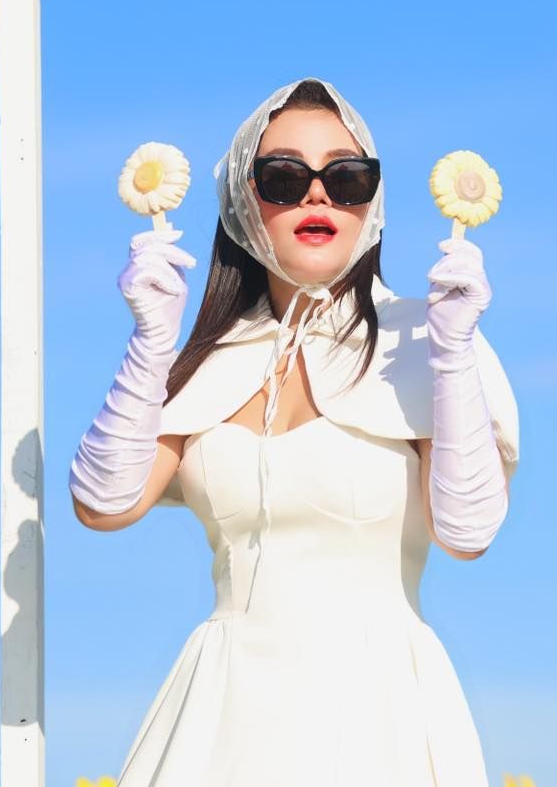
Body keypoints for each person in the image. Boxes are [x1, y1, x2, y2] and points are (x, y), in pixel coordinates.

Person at [68, 77, 520, 786]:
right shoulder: (209, 361)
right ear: (245, 205)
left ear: (372, 204)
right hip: (221, 718)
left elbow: (469, 533)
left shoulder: (426, 340)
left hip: (383, 715)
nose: (317, 195)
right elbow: (103, 503)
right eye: (282, 176)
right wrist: (153, 341)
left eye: (347, 177)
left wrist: (454, 352)